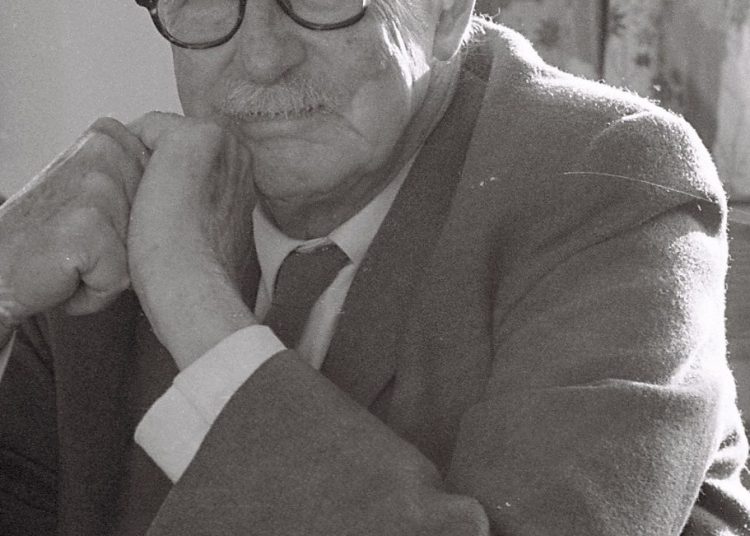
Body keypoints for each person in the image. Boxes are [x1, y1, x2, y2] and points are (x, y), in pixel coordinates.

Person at [1, 0, 748, 534]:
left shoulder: (610, 182)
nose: (260, 56)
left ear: (446, 13)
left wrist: (191, 298)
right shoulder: (107, 213)